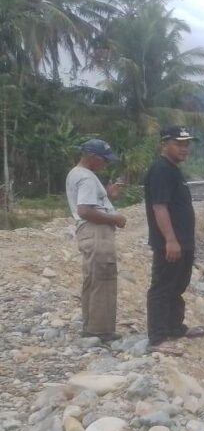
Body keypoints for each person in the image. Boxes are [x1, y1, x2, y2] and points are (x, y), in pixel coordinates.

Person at [143, 126, 204, 354]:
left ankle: (174, 327)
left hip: (183, 241)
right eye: (178, 144)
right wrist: (170, 240)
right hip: (170, 243)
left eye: (186, 144)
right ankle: (158, 338)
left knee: (178, 285)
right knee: (162, 287)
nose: (184, 148)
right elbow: (159, 207)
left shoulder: (173, 170)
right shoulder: (161, 170)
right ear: (164, 144)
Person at [65, 139, 127, 342]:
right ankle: (100, 331)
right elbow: (84, 210)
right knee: (103, 278)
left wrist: (108, 195)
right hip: (96, 232)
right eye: (104, 160)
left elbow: (90, 203)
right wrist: (115, 219)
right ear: (92, 156)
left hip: (90, 232)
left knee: (93, 278)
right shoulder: (86, 177)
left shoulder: (78, 174)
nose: (106, 164)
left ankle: (91, 327)